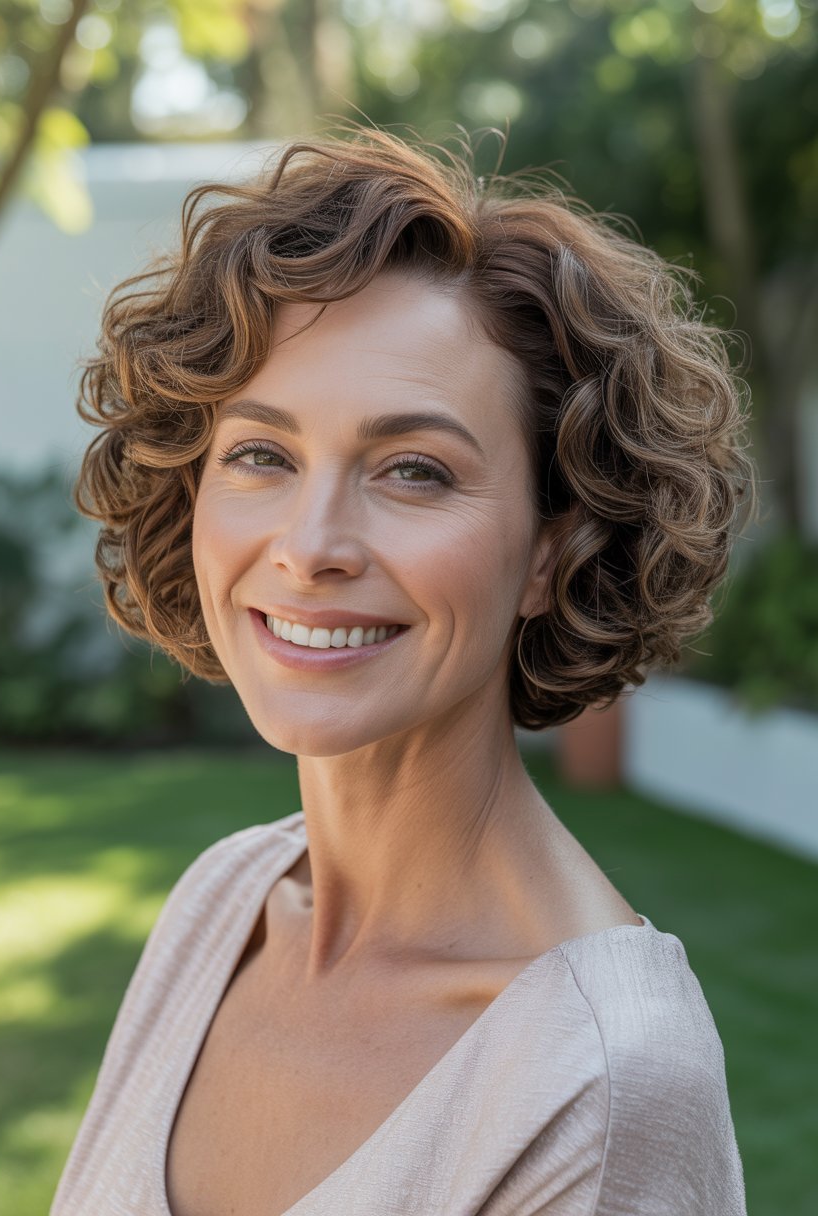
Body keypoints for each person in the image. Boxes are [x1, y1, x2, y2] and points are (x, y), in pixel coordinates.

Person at [51, 125, 757, 1216]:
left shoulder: (599, 1082)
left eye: (414, 471)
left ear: (550, 550)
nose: (311, 543)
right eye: (261, 453)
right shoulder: (220, 905)